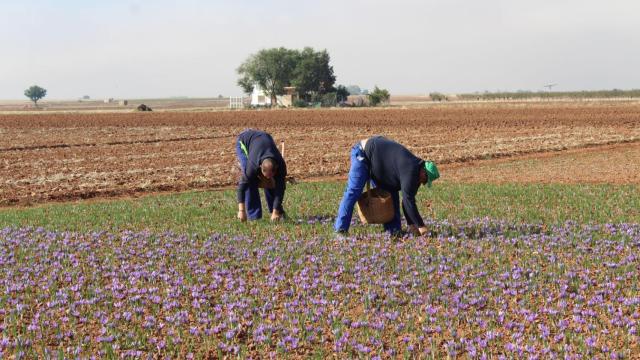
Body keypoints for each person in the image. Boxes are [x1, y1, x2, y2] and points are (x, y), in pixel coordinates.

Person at [334, 136, 439, 236]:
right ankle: (341, 230)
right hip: (363, 153)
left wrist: (411, 225)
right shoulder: (410, 171)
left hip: (381, 164)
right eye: (425, 180)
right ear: (423, 172)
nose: (423, 183)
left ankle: (393, 231)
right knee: (354, 191)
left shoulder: (416, 172)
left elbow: (407, 201)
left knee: (391, 195)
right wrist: (421, 226)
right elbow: (408, 201)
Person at [235, 129, 287, 222]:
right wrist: (241, 210)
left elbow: (280, 189)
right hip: (244, 141)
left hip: (263, 139)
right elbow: (242, 187)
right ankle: (254, 217)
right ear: (260, 168)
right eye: (265, 175)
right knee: (250, 181)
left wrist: (276, 211)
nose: (267, 178)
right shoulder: (252, 166)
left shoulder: (281, 165)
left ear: (277, 168)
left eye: (271, 175)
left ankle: (276, 212)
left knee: (272, 183)